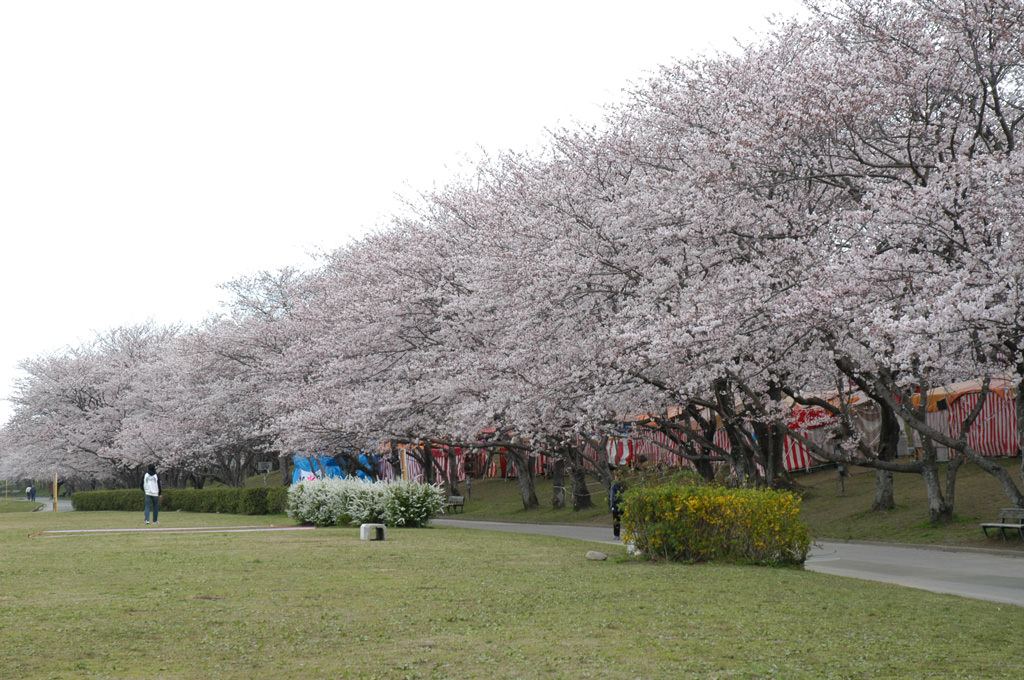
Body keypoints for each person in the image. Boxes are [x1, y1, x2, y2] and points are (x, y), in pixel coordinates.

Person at [610, 473, 628, 539]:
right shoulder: (624, 485)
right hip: (622, 504)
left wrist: (612, 504)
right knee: (623, 520)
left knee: (616, 519)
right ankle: (626, 534)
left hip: (616, 505)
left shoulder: (615, 485)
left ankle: (616, 535)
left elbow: (612, 496)